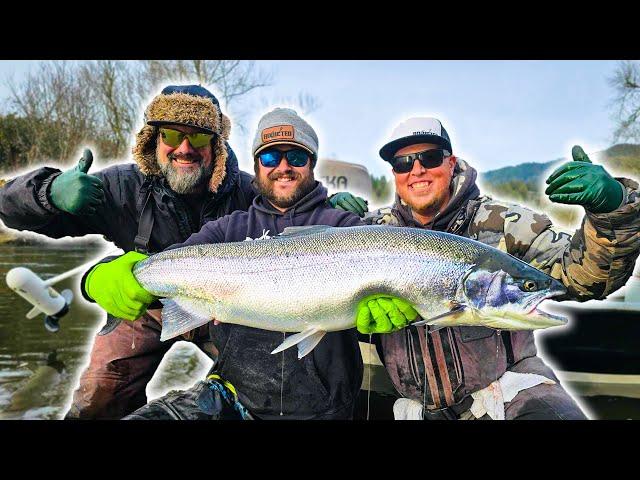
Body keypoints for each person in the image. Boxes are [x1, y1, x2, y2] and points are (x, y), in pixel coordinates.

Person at [0, 84, 364, 419]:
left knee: (259, 376)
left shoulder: (245, 190)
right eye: (173, 135)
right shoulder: (121, 187)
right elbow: (7, 206)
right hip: (150, 302)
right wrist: (48, 194)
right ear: (154, 140)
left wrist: (336, 209)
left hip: (230, 306)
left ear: (216, 147)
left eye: (199, 136)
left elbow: (292, 210)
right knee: (101, 391)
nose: (185, 148)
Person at [356, 117, 640, 420]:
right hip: (419, 408)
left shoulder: (504, 222)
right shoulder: (370, 229)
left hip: (511, 391)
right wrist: (331, 210)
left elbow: (582, 277)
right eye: (403, 163)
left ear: (451, 163)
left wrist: (613, 210)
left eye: (430, 157)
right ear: (395, 174)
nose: (417, 169)